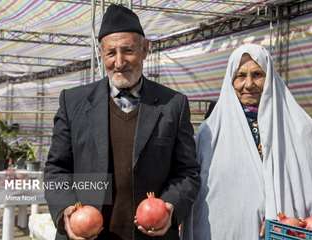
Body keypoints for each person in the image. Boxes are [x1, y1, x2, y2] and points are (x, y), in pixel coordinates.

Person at [44, 4, 200, 240]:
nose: (119, 62)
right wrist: (68, 210)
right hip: (87, 235)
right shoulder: (73, 102)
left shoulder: (173, 105)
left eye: (128, 50)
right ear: (101, 53)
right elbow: (56, 170)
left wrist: (170, 207)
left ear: (145, 49)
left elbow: (187, 172)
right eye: (110, 53)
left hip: (152, 234)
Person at [182, 44, 312, 240]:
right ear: (230, 80)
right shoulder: (210, 132)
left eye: (257, 74)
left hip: (287, 233)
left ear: (270, 77)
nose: (248, 84)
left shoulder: (300, 128)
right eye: (241, 76)